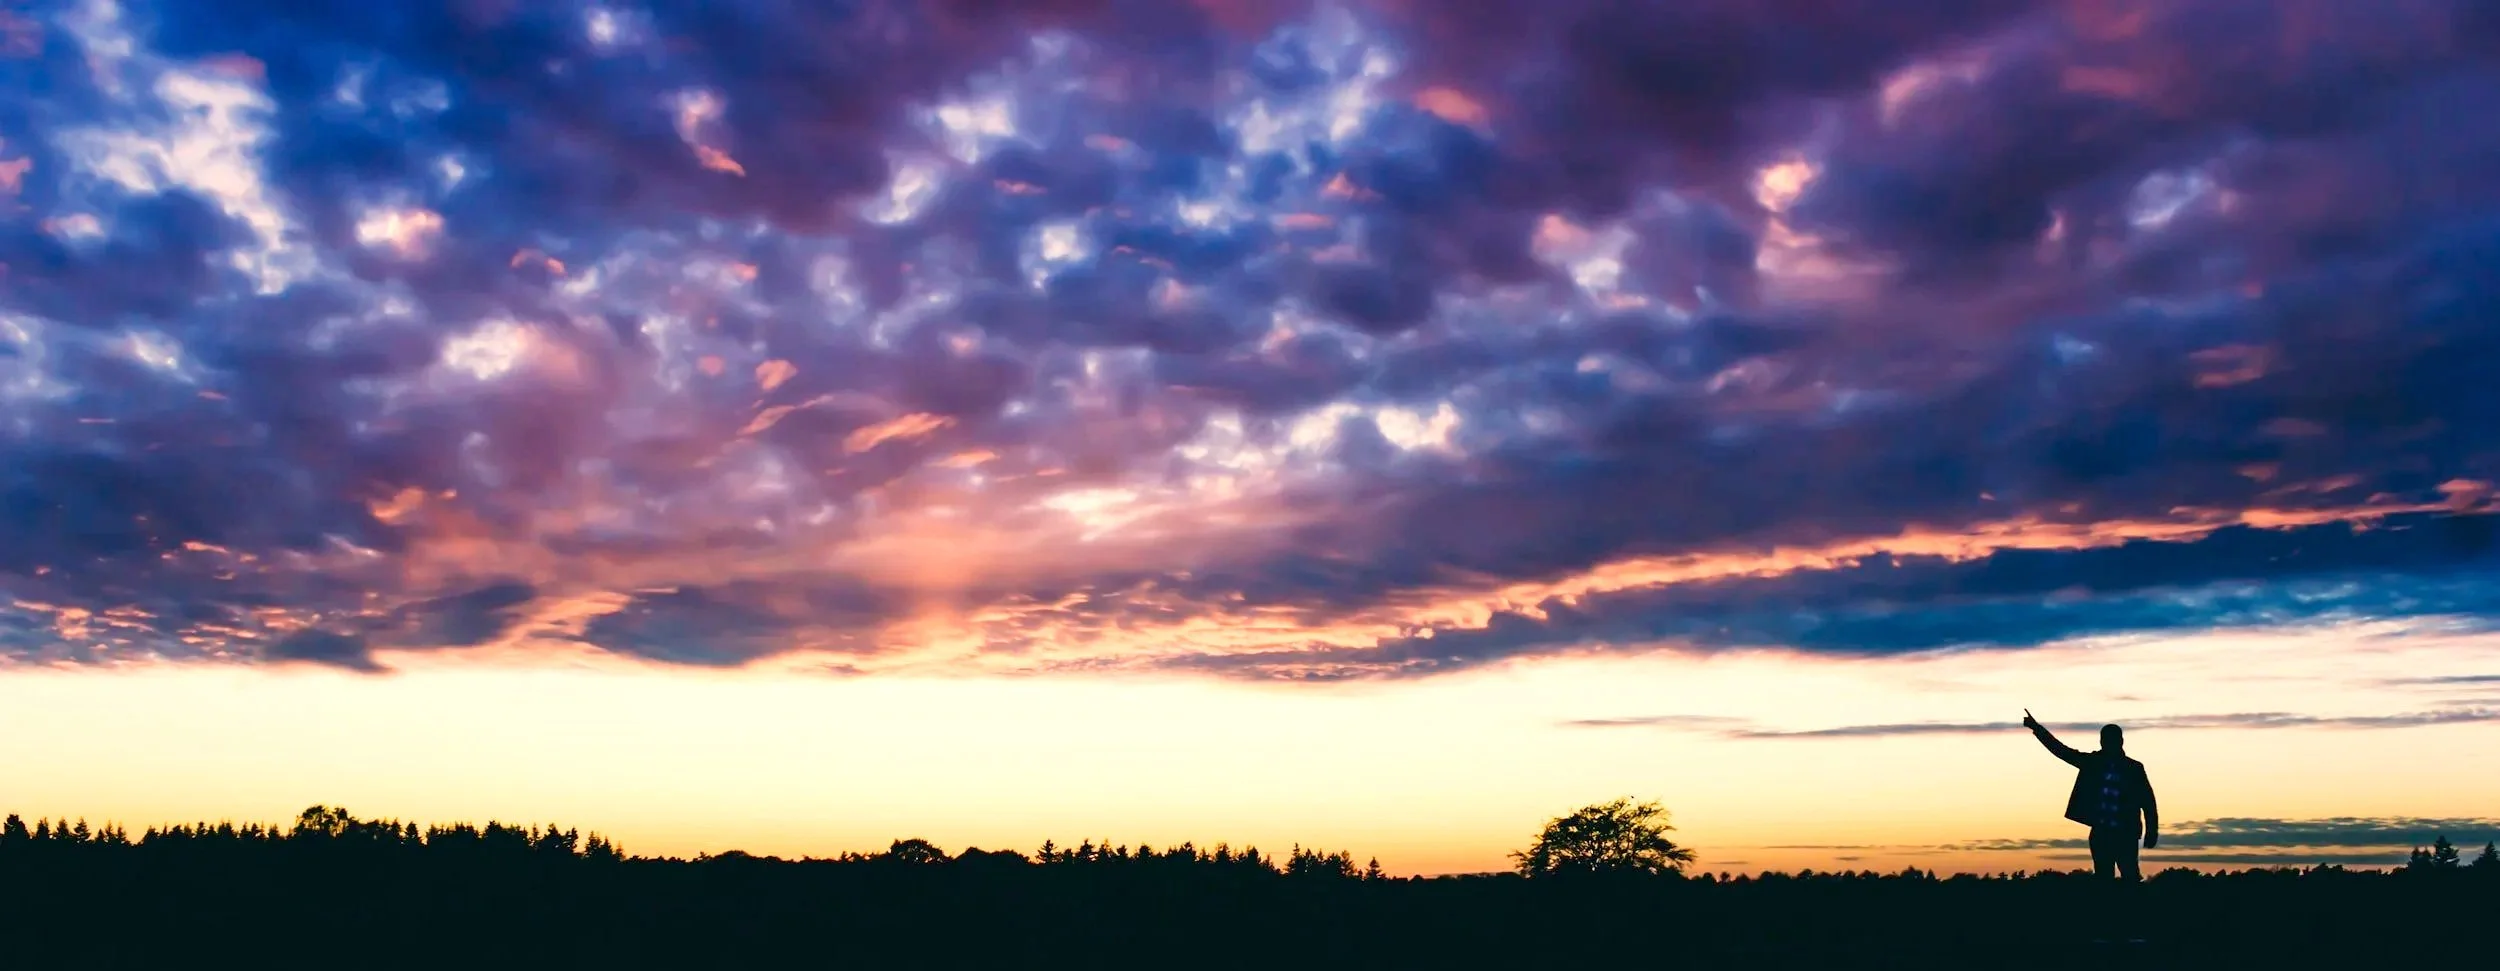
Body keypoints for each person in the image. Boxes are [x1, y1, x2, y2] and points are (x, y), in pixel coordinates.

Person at [2022, 710, 2158, 882]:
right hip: (2101, 832)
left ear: (2120, 741)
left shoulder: (2133, 768)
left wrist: (2152, 831)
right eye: (2105, 740)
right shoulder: (2093, 762)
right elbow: (2062, 751)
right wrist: (2037, 729)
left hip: (2125, 833)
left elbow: (2148, 801)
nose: (2108, 744)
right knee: (2103, 878)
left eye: (2111, 740)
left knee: (2130, 876)